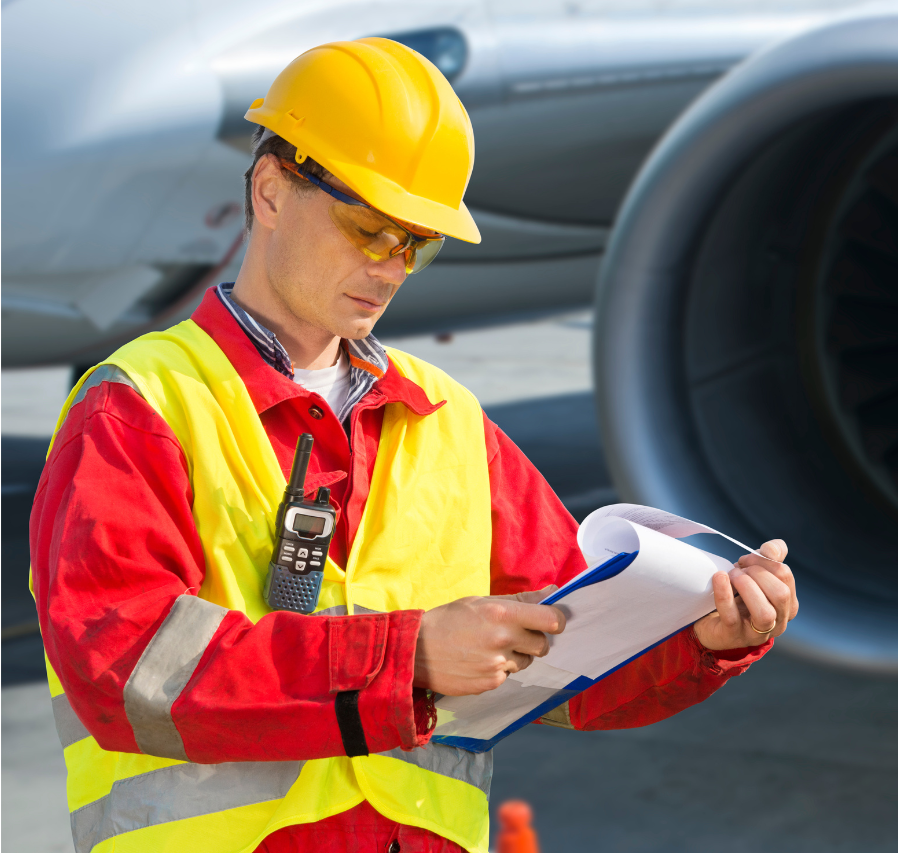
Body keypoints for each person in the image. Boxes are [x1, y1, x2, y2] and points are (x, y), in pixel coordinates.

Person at [29, 38, 798, 853]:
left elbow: (568, 664)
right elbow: (124, 671)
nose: (391, 267)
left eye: (416, 243)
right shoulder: (137, 409)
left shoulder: (447, 420)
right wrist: (410, 655)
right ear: (270, 191)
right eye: (368, 229)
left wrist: (701, 640)